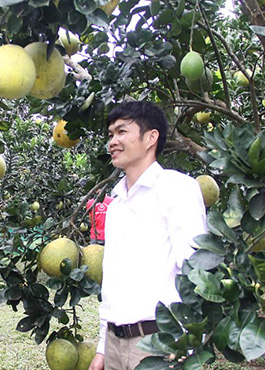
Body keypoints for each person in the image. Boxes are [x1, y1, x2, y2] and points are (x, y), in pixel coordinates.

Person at [89, 101, 207, 370]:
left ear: (151, 137)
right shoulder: (116, 204)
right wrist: (101, 348)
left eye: (122, 132)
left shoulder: (177, 189)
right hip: (115, 343)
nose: (113, 142)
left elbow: (195, 272)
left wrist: (186, 345)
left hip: (159, 343)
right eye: (110, 135)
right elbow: (112, 282)